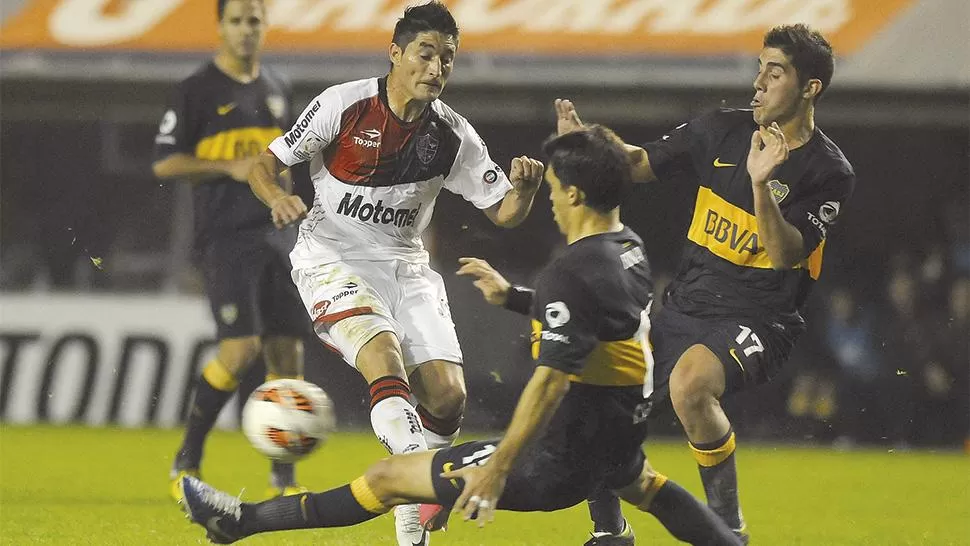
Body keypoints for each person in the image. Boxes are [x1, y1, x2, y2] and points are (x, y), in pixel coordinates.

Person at [179, 126, 742, 546]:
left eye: (553, 186)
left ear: (573, 195)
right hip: (615, 440)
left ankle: (240, 522)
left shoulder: (570, 271)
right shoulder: (629, 248)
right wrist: (517, 299)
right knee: (648, 487)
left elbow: (549, 385)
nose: (547, 196)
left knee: (386, 478)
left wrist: (496, 469)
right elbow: (608, 325)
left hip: (556, 460)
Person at [242, 3, 542, 544]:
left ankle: (413, 496)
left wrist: (524, 191)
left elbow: (503, 212)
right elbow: (264, 165)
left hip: (406, 267)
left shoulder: (453, 135)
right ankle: (416, 483)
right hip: (331, 259)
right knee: (384, 357)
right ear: (396, 53)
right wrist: (276, 197)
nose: (436, 69)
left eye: (447, 60)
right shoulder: (343, 105)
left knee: (450, 398)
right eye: (426, 55)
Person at [556, 24, 856, 543]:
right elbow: (640, 163)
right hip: (683, 306)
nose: (758, 81)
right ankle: (611, 533)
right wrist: (587, 144)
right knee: (588, 374)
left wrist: (762, 182)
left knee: (691, 385)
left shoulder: (828, 171)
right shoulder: (720, 128)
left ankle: (728, 529)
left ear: (811, 88)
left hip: (761, 318)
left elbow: (786, 253)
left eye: (776, 71)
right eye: (760, 67)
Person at [152, 0, 310, 500]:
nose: (246, 30)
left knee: (288, 353)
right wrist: (228, 168)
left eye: (254, 21)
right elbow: (164, 164)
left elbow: (283, 160)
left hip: (278, 237)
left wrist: (288, 190)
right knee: (241, 350)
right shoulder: (196, 90)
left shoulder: (279, 88)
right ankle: (188, 457)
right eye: (237, 21)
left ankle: (282, 476)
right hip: (226, 238)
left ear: (266, 26)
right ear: (220, 27)